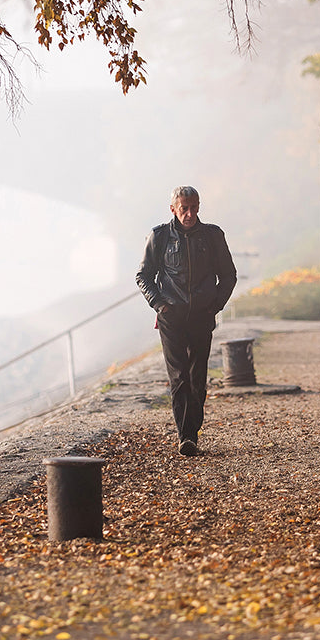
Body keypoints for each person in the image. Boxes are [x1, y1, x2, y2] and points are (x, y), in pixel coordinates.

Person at [136, 186, 237, 456]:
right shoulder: (159, 237)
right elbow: (143, 276)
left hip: (202, 316)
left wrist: (214, 306)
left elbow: (228, 275)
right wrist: (160, 305)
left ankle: (193, 428)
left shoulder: (213, 236)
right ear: (173, 209)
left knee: (197, 376)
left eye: (194, 207)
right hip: (172, 318)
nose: (190, 213)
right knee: (179, 377)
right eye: (184, 209)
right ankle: (186, 436)